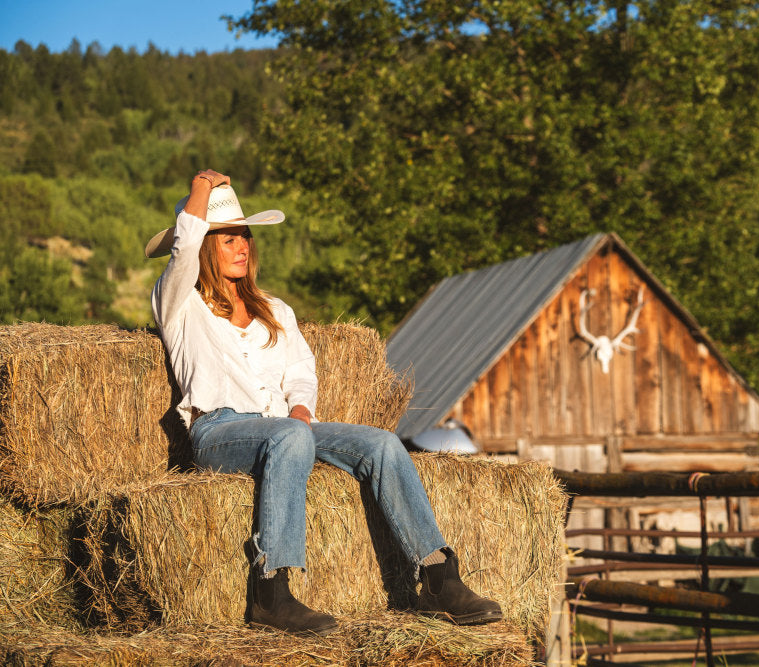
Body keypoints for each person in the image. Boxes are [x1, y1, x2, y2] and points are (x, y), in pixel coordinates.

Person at [144, 169, 502, 636]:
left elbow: (300, 372)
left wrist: (300, 409)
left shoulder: (276, 310)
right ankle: (271, 592)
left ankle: (438, 577)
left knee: (381, 444)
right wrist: (200, 190)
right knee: (290, 437)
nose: (243, 246)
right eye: (228, 239)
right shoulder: (178, 305)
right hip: (220, 432)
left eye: (245, 236)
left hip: (286, 428)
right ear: (206, 247)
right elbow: (183, 249)